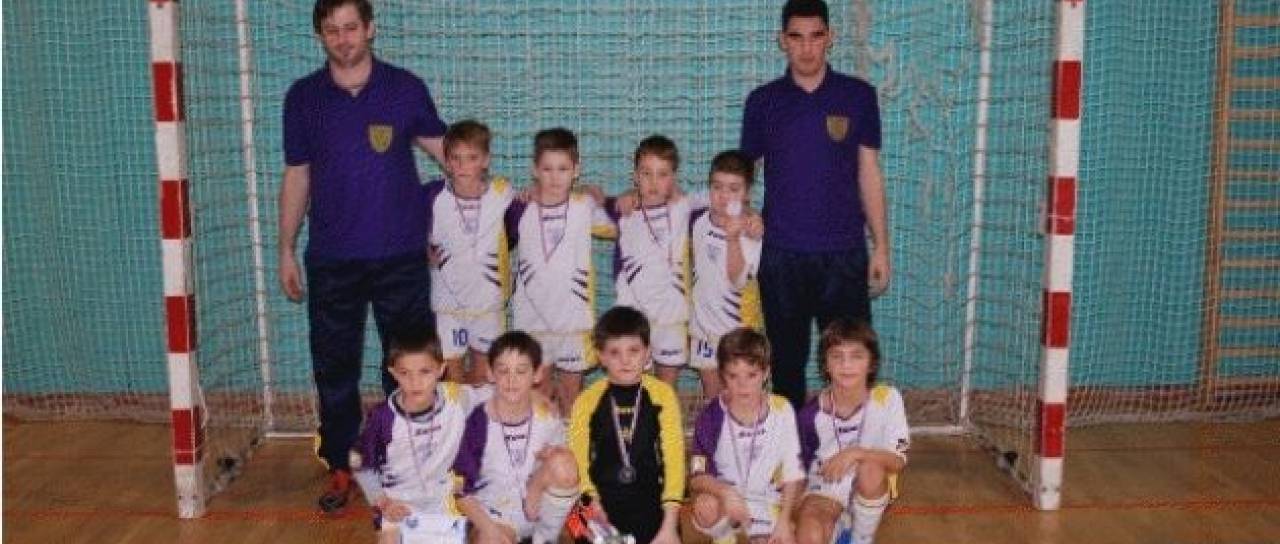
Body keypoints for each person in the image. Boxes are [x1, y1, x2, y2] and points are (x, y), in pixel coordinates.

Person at [279, 0, 449, 512]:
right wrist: (285, 248)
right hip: (332, 259)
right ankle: (342, 465)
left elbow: (453, 157)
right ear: (320, 35)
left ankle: (408, 461)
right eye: (332, 30)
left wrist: (493, 207)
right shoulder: (303, 98)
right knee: (334, 366)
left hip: (401, 255)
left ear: (370, 29)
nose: (343, 38)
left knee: (410, 365)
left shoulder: (405, 88)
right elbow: (297, 176)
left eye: (351, 27)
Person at [740, 0, 891, 409]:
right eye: (796, 37)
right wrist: (742, 214)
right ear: (782, 41)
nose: (807, 47)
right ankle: (790, 445)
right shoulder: (762, 102)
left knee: (850, 363)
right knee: (786, 366)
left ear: (830, 38)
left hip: (844, 255)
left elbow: (869, 172)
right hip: (781, 256)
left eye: (816, 36)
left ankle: (851, 441)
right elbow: (741, 175)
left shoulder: (858, 96)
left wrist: (881, 246)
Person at [505, 128, 616, 416]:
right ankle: (542, 440)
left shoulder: (584, 206)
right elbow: (496, 241)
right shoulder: (521, 208)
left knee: (571, 394)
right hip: (532, 319)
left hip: (573, 320)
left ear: (576, 170)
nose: (555, 177)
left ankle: (573, 441)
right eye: (547, 169)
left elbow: (621, 225)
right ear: (535, 170)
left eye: (563, 169)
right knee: (538, 393)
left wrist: (605, 200)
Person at [348, 328, 490, 544]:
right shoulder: (383, 418)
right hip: (397, 502)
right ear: (393, 373)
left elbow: (498, 393)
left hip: (445, 499)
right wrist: (383, 502)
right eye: (405, 373)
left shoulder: (456, 398)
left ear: (441, 369)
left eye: (425, 372)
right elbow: (359, 462)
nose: (415, 382)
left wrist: (534, 396)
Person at [568, 306, 685, 544]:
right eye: (614, 352)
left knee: (666, 535)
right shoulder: (586, 400)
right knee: (576, 520)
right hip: (597, 500)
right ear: (601, 356)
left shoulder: (662, 395)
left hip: (648, 498)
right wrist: (591, 501)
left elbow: (674, 459)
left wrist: (670, 523)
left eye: (634, 350)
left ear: (647, 352)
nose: (625, 360)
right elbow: (577, 461)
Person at [452, 331, 581, 544]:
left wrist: (549, 458)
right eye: (503, 371)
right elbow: (459, 490)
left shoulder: (546, 417)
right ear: (490, 373)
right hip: (495, 513)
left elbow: (567, 474)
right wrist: (489, 530)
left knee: (564, 463)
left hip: (537, 506)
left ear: (537, 374)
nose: (511, 380)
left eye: (521, 371)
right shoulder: (476, 418)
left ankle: (547, 538)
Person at [793, 320, 908, 544]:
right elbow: (797, 471)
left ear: (871, 363)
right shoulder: (810, 415)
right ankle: (837, 527)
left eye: (857, 356)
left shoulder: (888, 399)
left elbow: (898, 461)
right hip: (825, 488)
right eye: (837, 356)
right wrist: (790, 518)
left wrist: (855, 453)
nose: (846, 365)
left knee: (870, 467)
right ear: (825, 364)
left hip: (870, 484)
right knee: (810, 535)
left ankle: (860, 538)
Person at [687, 328, 803, 544]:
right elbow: (696, 475)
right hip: (726, 501)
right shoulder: (711, 416)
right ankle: (724, 538)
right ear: (722, 374)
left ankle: (765, 529)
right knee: (705, 506)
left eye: (751, 375)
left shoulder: (782, 410)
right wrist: (726, 493)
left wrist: (785, 520)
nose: (743, 385)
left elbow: (792, 472)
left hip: (768, 501)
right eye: (733, 376)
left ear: (766, 373)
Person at [426, 120, 516, 384]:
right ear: (446, 161)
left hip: (488, 303)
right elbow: (403, 226)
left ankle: (478, 410)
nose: (463, 165)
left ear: (485, 160)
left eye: (472, 158)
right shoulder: (432, 196)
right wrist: (422, 251)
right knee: (450, 377)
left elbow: (522, 225)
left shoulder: (503, 193)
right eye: (456, 158)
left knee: (483, 376)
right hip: (448, 304)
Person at [608, 135, 693, 386]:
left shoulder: (684, 209)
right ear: (635, 176)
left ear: (673, 178)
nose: (654, 182)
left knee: (666, 389)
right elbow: (585, 198)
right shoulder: (623, 210)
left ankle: (666, 415)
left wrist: (749, 215)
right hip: (633, 318)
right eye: (646, 174)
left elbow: (722, 205)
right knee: (633, 385)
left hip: (671, 317)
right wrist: (624, 196)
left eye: (662, 174)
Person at [689, 151, 764, 398]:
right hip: (703, 330)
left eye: (734, 189)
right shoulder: (698, 220)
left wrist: (732, 239)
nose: (724, 196)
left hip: (737, 331)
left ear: (747, 193)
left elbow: (738, 280)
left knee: (739, 397)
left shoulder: (751, 232)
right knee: (713, 398)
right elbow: (670, 197)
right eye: (717, 187)